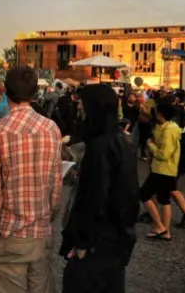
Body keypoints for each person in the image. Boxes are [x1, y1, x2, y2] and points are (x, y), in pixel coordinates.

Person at [0, 65, 62, 293]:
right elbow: (55, 186)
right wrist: (48, 218)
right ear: (35, 92)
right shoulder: (51, 129)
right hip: (41, 232)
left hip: (11, 233)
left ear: (6, 91)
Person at [60, 84, 140, 292]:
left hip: (98, 245)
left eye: (82, 103)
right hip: (116, 242)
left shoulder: (99, 148)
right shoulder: (123, 142)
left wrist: (83, 244)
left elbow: (95, 198)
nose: (78, 106)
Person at [140, 100, 183, 241]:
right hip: (167, 170)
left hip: (162, 169)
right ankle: (166, 231)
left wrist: (150, 145)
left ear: (161, 114)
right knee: (164, 199)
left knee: (144, 194)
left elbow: (163, 154)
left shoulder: (169, 130)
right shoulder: (166, 127)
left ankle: (159, 226)